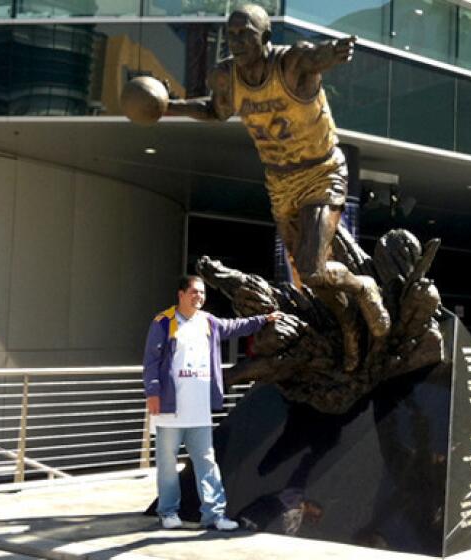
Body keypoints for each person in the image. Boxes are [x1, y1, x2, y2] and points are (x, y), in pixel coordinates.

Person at [164, 4, 389, 371]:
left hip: (320, 172)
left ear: (265, 37)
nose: (235, 41)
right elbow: (215, 112)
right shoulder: (228, 77)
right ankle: (350, 332)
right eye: (231, 33)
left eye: (245, 33)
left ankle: (364, 286)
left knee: (313, 269)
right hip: (281, 183)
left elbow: (315, 57)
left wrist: (332, 54)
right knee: (310, 282)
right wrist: (167, 107)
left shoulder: (291, 64)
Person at [143, 274, 281, 530]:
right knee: (167, 464)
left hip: (199, 409)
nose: (199, 297)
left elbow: (236, 327)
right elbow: (151, 361)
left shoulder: (208, 322)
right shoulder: (163, 322)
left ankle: (215, 514)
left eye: (202, 292)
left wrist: (264, 320)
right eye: (194, 292)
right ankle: (168, 512)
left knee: (207, 461)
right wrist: (152, 392)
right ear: (181, 294)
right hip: (170, 408)